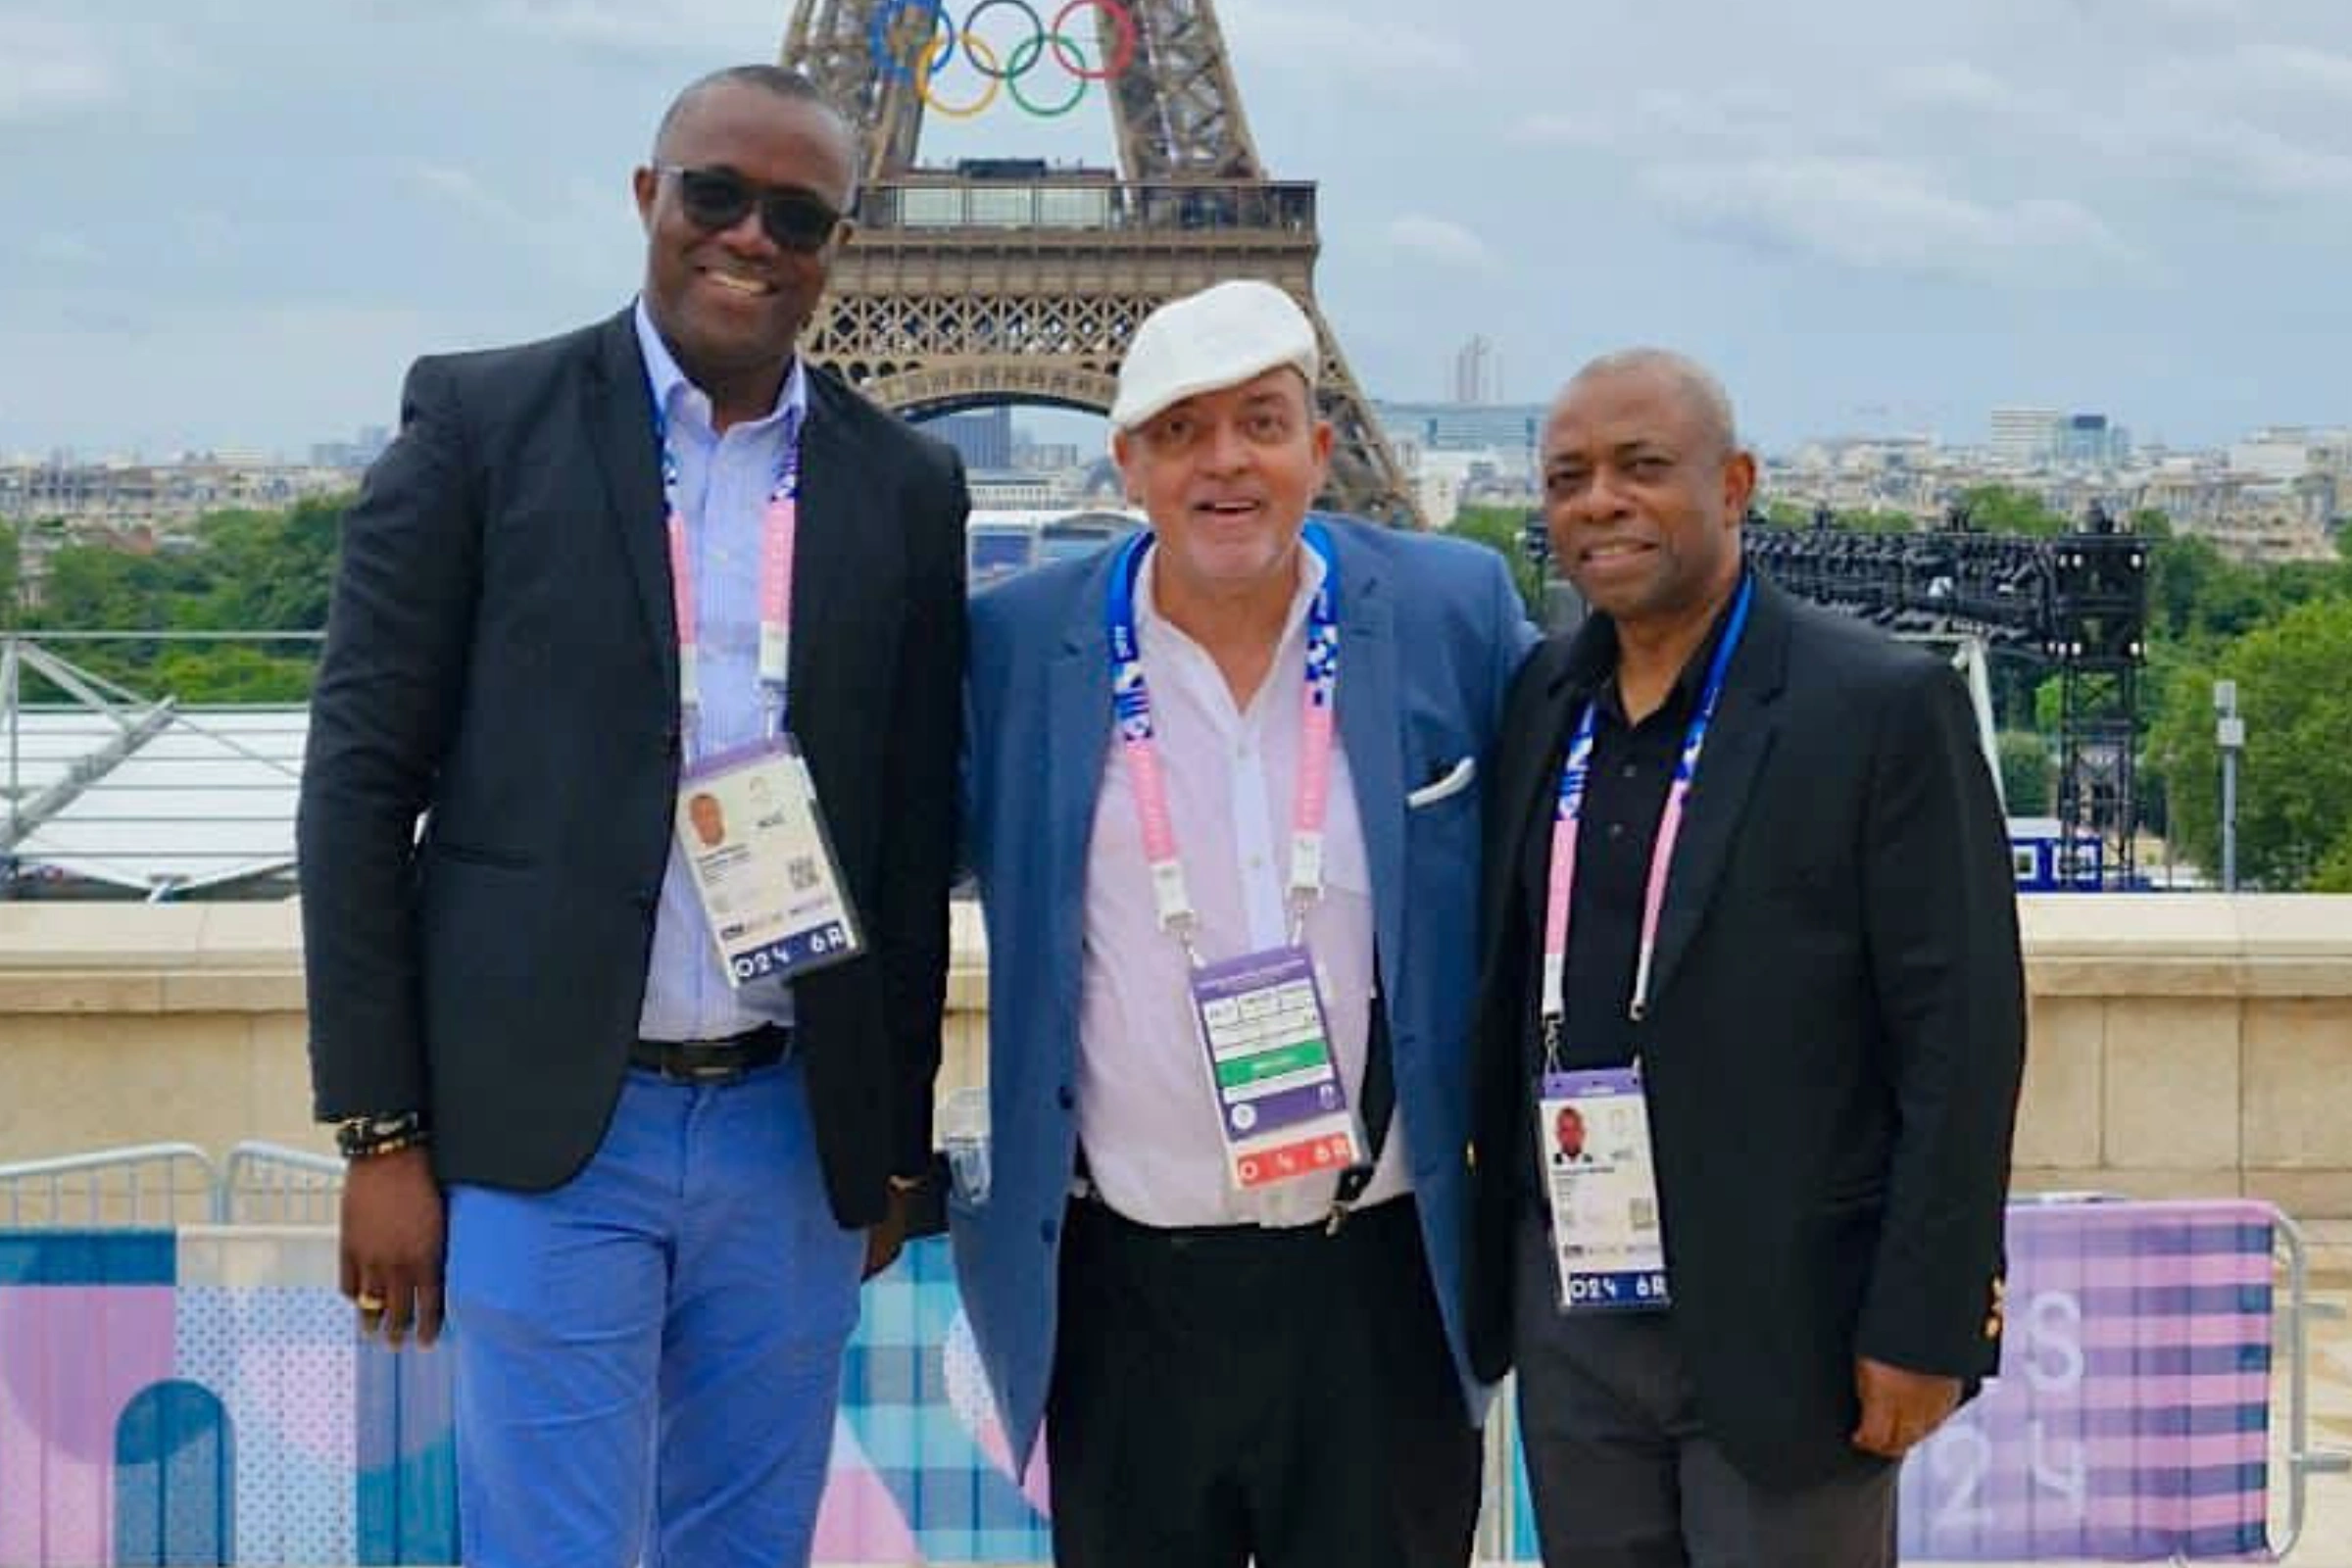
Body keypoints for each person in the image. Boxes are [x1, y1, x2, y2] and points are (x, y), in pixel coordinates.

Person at [297, 65, 968, 1568]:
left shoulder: (909, 486)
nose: (749, 237)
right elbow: (356, 783)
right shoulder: (482, 422)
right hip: (549, 1133)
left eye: (794, 214)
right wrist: (379, 1131)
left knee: (749, 1549)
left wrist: (892, 1147)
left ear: (836, 246)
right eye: (716, 194)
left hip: (791, 1134)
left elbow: (913, 843)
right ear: (646, 196)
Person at [955, 279, 1536, 1568]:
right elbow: (883, 859)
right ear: (1127, 464)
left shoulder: (1454, 612)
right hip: (1123, 1293)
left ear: (1321, 449)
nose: (1224, 462)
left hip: (1378, 1276)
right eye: (1181, 430)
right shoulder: (1011, 647)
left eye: (1260, 423)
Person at [1468, 349, 2025, 1566]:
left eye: (1641, 467)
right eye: (1568, 477)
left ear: (1736, 485)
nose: (1600, 500)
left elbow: (1963, 1035)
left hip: (1795, 1315)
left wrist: (1931, 1317)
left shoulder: (1879, 704)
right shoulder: (1539, 701)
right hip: (1576, 1298)